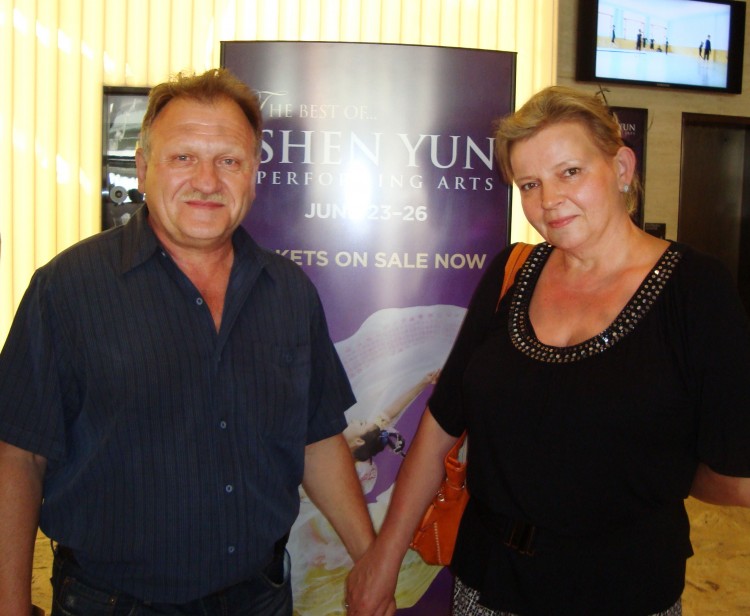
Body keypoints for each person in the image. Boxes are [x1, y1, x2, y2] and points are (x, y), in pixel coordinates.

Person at [346, 86, 750, 616]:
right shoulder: (512, 272)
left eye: (570, 172)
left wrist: (659, 467)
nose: (549, 200)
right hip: (487, 583)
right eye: (529, 184)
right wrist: (386, 554)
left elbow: (736, 476)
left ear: (622, 167)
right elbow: (443, 420)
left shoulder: (695, 291)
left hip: (623, 592)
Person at [0, 68, 381, 615]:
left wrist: (369, 558)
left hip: (261, 598)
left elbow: (316, 438)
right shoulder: (66, 289)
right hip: (112, 603)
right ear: (143, 166)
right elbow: (18, 456)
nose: (206, 180)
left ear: (253, 175)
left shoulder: (289, 292)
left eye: (229, 160)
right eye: (183, 157)